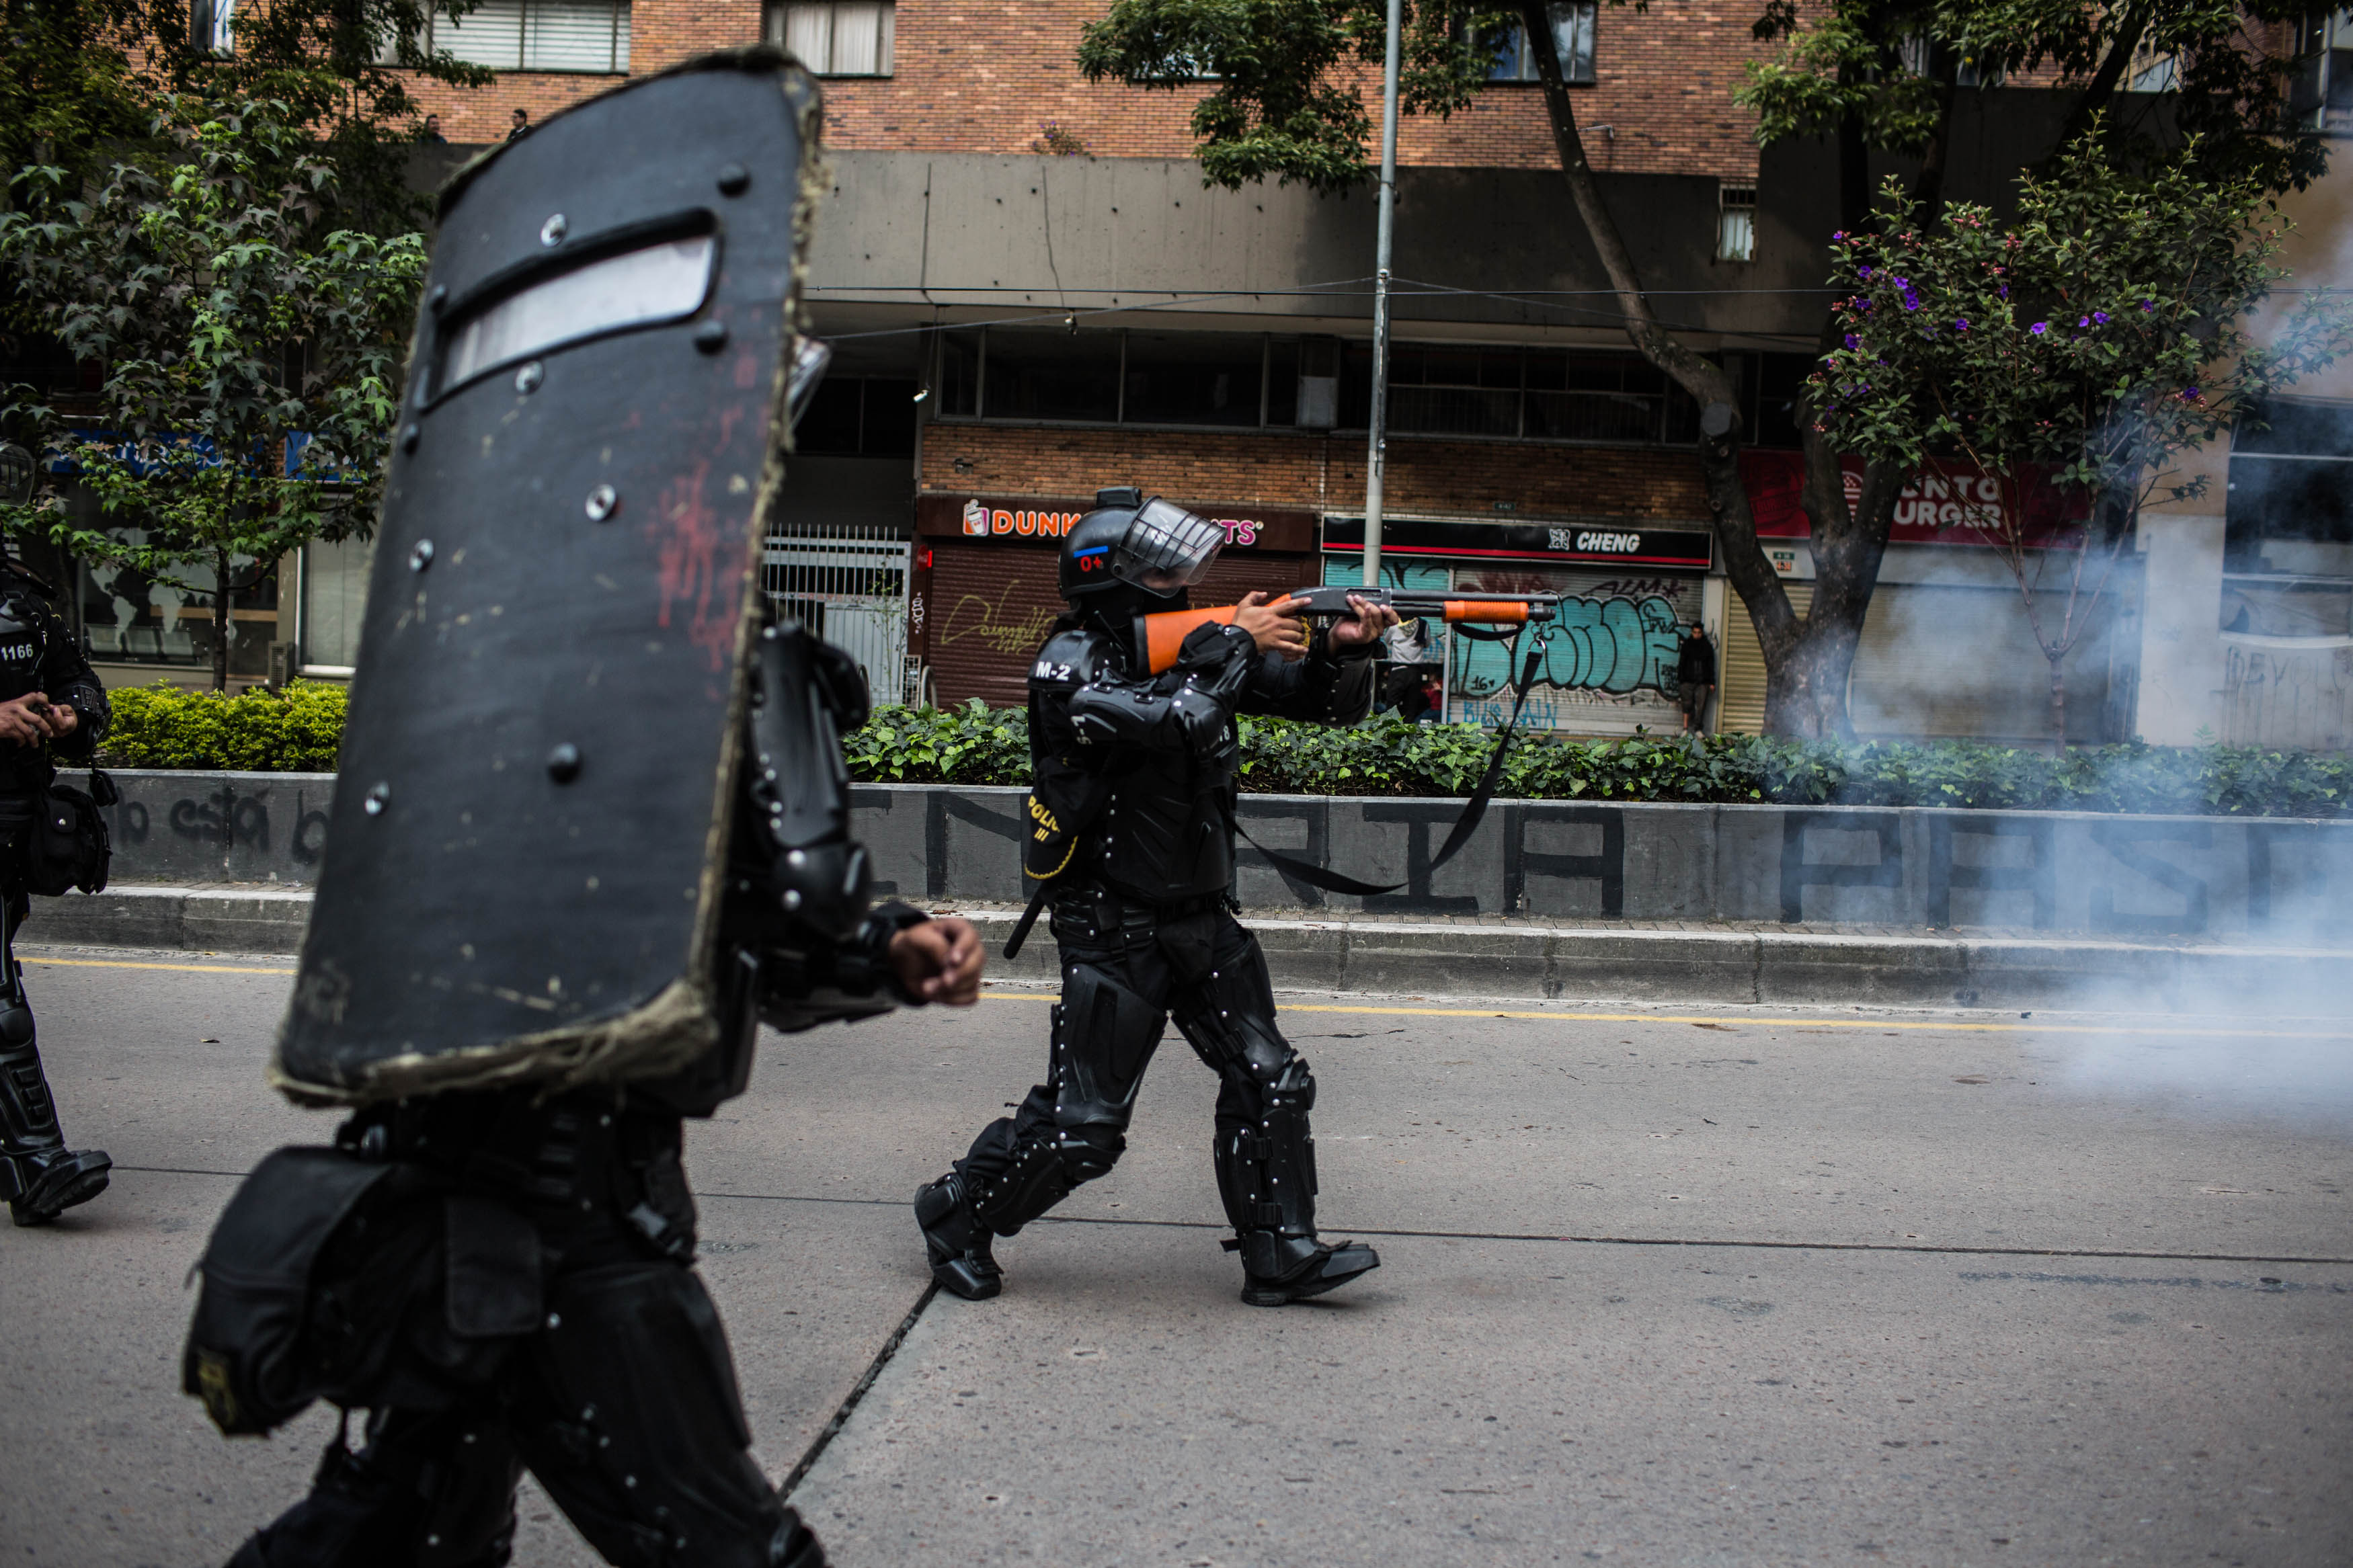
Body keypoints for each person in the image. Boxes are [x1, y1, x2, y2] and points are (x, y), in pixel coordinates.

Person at [177, 50, 946, 1568]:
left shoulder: (483, 628)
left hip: (420, 1159)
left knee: (402, 1519)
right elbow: (795, 919)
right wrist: (896, 945)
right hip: (581, 1214)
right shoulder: (721, 650)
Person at [914, 487, 1401, 1309]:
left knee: (1270, 1078)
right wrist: (1235, 641)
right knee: (1085, 1129)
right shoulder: (1070, 662)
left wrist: (1342, 650)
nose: (1179, 588)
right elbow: (1180, 720)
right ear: (1110, 578)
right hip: (1112, 923)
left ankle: (1279, 1252)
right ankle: (955, 1210)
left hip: (1200, 913)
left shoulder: (1195, 642)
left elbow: (1319, 702)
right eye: (1160, 575)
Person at [0, 556, 113, 1226]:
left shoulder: (22, 599)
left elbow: (82, 683)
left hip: (16, 825)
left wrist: (73, 716)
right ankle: (36, 1161)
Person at [1677, 619, 1717, 733]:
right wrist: (1681, 679)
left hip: (1702, 682)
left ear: (1702, 633)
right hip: (1687, 681)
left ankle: (1698, 729)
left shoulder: (1706, 646)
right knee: (1686, 704)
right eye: (1695, 632)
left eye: (1699, 633)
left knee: (1701, 706)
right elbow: (1682, 663)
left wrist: (1711, 682)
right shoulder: (1687, 645)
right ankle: (1685, 729)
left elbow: (1710, 665)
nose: (1697, 635)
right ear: (1692, 632)